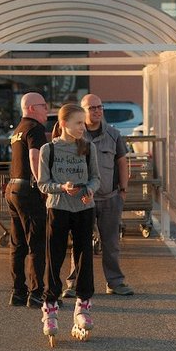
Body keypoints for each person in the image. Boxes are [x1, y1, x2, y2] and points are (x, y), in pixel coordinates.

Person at [37, 104, 101, 346]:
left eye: (83, 123)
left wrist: (89, 190)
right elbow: (43, 183)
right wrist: (62, 187)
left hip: (84, 209)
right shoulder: (48, 150)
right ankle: (50, 309)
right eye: (78, 123)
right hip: (58, 208)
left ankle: (83, 306)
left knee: (84, 257)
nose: (82, 127)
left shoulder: (88, 147)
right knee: (54, 258)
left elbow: (96, 177)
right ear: (63, 124)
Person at [62, 94, 133, 298]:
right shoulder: (74, 135)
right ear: (82, 111)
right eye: (92, 108)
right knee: (80, 242)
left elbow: (121, 162)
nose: (97, 111)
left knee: (111, 244)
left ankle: (115, 282)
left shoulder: (113, 134)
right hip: (81, 200)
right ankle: (74, 284)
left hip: (109, 197)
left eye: (99, 107)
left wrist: (123, 191)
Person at [4, 92, 49, 308]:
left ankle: (18, 292)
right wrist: (43, 184)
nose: (47, 109)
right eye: (43, 105)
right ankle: (37, 293)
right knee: (36, 243)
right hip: (28, 190)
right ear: (31, 108)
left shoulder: (18, 129)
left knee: (17, 244)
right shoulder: (35, 128)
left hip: (12, 189)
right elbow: (34, 157)